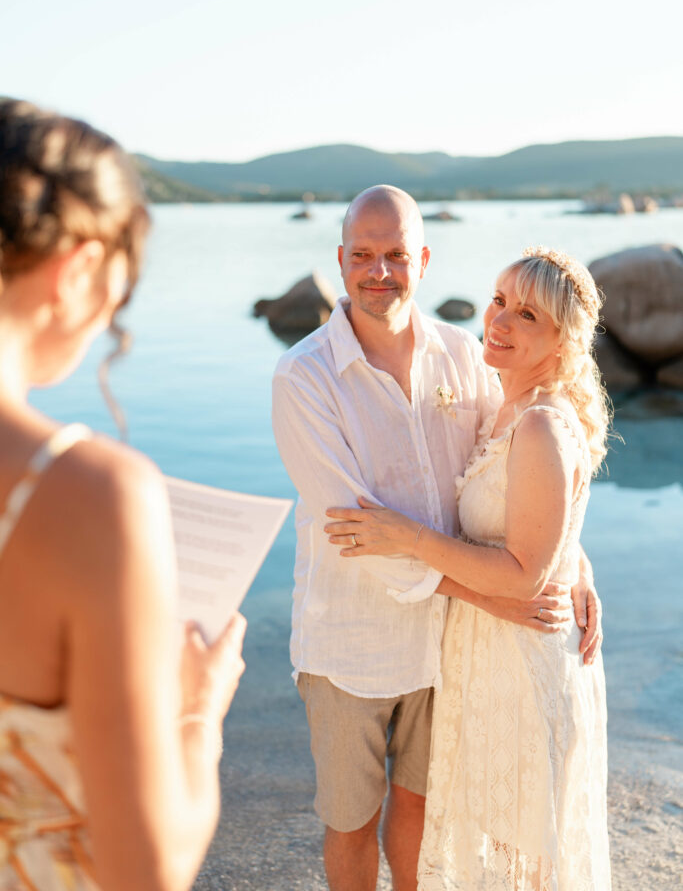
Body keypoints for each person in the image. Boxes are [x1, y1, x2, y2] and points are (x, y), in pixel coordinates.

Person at [272, 187, 602, 891]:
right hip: (350, 643)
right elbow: (351, 535)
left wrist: (572, 560)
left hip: (446, 647)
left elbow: (521, 480)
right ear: (339, 261)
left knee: (426, 808)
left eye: (395, 255)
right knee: (351, 819)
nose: (378, 272)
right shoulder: (303, 379)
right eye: (362, 255)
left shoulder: (464, 357)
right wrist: (492, 594)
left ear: (422, 260)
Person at [0, 99, 246, 891]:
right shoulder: (83, 493)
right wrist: (196, 716)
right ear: (74, 269)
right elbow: (151, 869)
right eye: (118, 286)